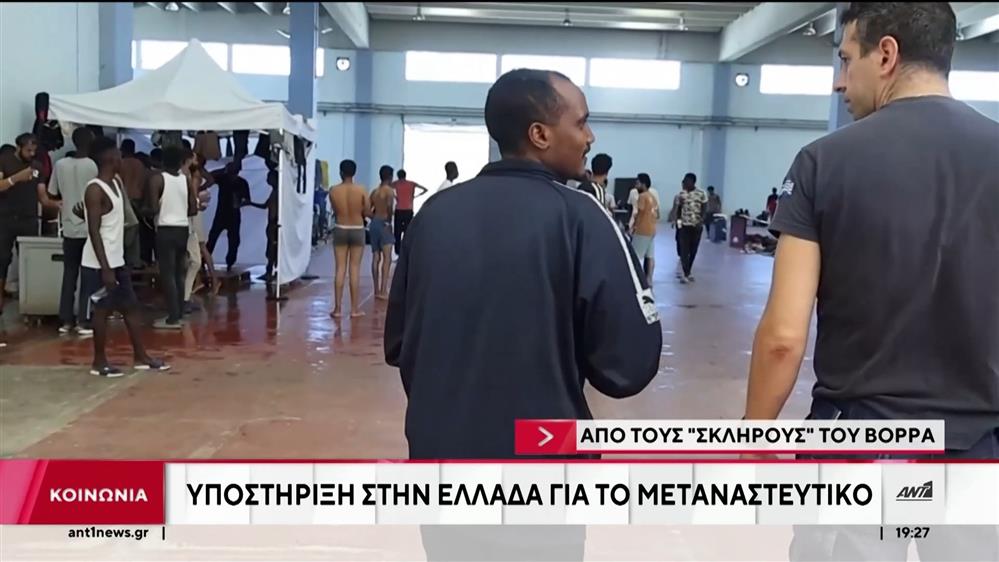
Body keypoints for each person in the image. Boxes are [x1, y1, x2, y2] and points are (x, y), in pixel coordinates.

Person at [743, 4, 998, 561]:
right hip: (982, 452)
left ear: (886, 55)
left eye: (845, 59)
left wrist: (754, 433)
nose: (840, 81)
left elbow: (784, 336)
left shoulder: (822, 162)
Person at [386, 68, 661, 460]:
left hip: (439, 458)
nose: (590, 137)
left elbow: (400, 343)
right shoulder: (580, 215)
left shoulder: (433, 215)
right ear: (540, 135)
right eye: (581, 123)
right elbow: (629, 364)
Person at [75, 136, 168, 377]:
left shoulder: (115, 183)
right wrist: (106, 268)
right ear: (110, 158)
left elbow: (109, 220)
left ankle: (141, 356)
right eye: (118, 154)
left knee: (130, 307)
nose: (121, 158)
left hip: (116, 260)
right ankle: (99, 362)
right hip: (99, 263)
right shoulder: (95, 189)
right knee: (102, 311)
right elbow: (94, 231)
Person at [0, 133, 59, 317]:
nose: (31, 154)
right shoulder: (4, 160)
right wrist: (16, 178)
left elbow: (42, 196)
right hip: (6, 218)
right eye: (28, 150)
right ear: (19, 147)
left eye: (34, 150)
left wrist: (56, 204)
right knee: (2, 259)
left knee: (30, 260)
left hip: (29, 218)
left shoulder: (37, 166)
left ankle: (31, 302)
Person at [49, 127, 98, 335]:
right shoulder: (93, 166)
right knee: (88, 276)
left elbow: (52, 192)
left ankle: (66, 320)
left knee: (69, 275)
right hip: (88, 228)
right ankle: (83, 321)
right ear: (90, 142)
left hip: (68, 227)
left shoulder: (60, 165)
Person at [148, 146, 196, 329]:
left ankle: (172, 317)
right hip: (182, 228)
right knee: (179, 272)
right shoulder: (185, 180)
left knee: (167, 273)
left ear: (162, 161)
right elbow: (193, 208)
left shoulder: (158, 179)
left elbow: (153, 208)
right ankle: (179, 313)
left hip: (165, 228)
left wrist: (141, 209)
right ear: (180, 162)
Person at [329, 159, 369, 319]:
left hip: (340, 228)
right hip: (357, 229)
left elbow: (335, 210)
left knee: (340, 268)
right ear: (354, 173)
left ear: (340, 172)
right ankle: (354, 309)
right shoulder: (361, 189)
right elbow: (367, 211)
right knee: (354, 268)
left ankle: (337, 309)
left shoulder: (333, 190)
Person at [207, 159, 251, 272]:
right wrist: (223, 170)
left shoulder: (242, 183)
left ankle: (230, 263)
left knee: (234, 241)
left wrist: (240, 204)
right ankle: (205, 260)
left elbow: (247, 200)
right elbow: (210, 175)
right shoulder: (223, 178)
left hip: (234, 215)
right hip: (221, 214)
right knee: (212, 238)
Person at [672, 172, 707, 283]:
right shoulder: (681, 194)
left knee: (693, 250)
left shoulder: (701, 193)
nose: (684, 183)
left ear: (692, 182)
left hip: (696, 226)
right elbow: (678, 210)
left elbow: (704, 208)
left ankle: (688, 271)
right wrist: (678, 222)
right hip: (684, 226)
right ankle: (686, 273)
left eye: (686, 181)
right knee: (684, 250)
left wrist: (701, 221)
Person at [117, 139, 146, 270]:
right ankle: (135, 260)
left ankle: (123, 257)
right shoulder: (139, 164)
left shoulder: (121, 164)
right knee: (136, 232)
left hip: (124, 198)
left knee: (123, 230)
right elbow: (142, 182)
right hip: (137, 198)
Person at [369, 165, 396, 300]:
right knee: (387, 258)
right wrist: (388, 221)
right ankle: (383, 290)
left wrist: (374, 218)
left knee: (375, 256)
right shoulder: (389, 191)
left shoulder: (374, 192)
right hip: (385, 223)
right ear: (390, 177)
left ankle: (376, 290)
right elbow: (390, 206)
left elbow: (367, 209)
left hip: (374, 223)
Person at [629, 174, 658, 286]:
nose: (635, 186)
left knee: (635, 256)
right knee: (650, 256)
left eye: (637, 183)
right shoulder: (652, 197)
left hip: (642, 230)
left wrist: (634, 227)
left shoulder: (642, 197)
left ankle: (635, 279)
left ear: (643, 184)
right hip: (652, 230)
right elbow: (657, 213)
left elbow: (639, 213)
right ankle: (649, 279)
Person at [391, 169, 426, 256]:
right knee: (408, 232)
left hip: (399, 210)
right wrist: (415, 196)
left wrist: (395, 196)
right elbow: (425, 189)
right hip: (408, 210)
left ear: (398, 176)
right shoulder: (412, 184)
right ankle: (407, 252)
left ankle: (398, 252)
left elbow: (387, 188)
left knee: (397, 232)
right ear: (405, 175)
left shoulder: (395, 184)